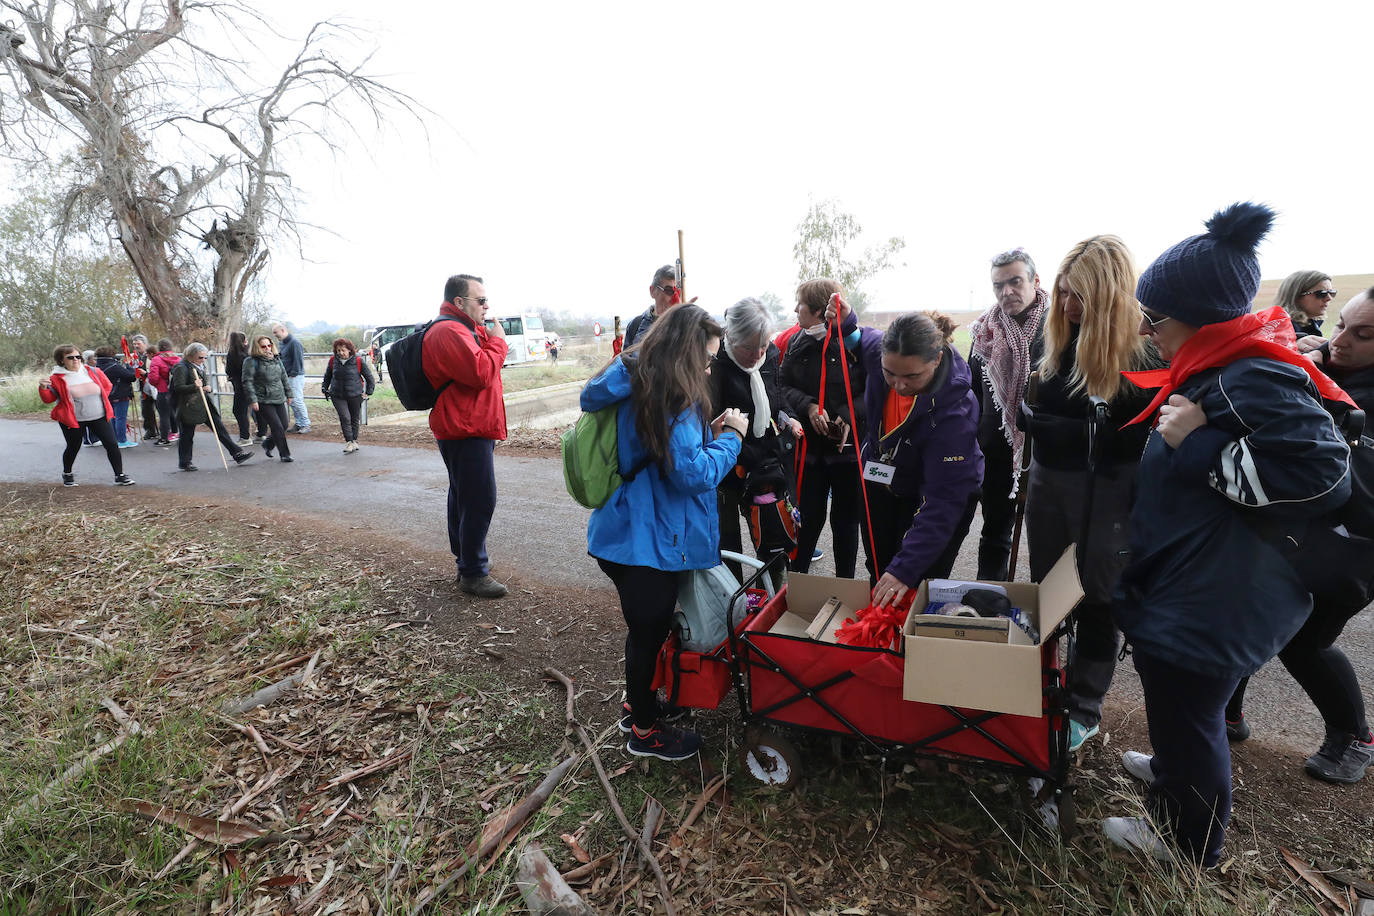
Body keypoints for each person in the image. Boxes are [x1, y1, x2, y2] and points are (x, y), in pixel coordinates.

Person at [1104, 202, 1351, 866]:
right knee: (1178, 707)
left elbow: (1325, 476)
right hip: (1201, 575)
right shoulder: (1223, 365)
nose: (1147, 331)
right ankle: (1172, 768)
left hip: (1222, 594)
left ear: (1199, 318)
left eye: (1154, 319)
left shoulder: (1251, 374)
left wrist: (1198, 445)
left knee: (1191, 709)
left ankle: (1187, 845)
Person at [582, 304, 748, 760]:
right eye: (708, 357)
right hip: (647, 541)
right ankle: (643, 729)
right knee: (648, 630)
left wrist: (705, 435)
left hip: (622, 530)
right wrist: (732, 437)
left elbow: (666, 452)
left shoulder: (635, 377)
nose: (711, 366)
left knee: (647, 628)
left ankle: (639, 704)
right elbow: (691, 475)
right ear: (686, 354)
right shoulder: (674, 395)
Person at [1224, 285, 1374, 783]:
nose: (1341, 341)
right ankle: (1224, 714)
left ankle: (1354, 735)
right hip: (1286, 535)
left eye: (1363, 335)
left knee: (1306, 643)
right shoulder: (1316, 372)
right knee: (1244, 619)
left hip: (1353, 549)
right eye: (1340, 326)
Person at [1022, 236, 1162, 753]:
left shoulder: (1143, 348)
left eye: (1079, 296)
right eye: (1062, 294)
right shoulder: (1054, 336)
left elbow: (1140, 431)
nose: (1067, 305)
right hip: (1049, 482)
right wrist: (1038, 423)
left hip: (1109, 490)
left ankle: (1084, 706)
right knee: (1049, 589)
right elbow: (1042, 404)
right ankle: (1042, 685)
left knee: (1100, 597)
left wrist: (1059, 428)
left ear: (1109, 296)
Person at [856, 307, 984, 605]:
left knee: (919, 582)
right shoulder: (880, 350)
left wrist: (904, 570)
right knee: (879, 571)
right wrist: (846, 320)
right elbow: (861, 338)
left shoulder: (956, 415)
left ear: (937, 360)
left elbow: (943, 502)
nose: (899, 386)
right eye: (889, 373)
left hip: (938, 495)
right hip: (882, 481)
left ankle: (915, 644)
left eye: (911, 376)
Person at [425, 274, 510, 599]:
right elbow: (481, 373)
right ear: (459, 302)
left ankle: (466, 563)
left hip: (467, 425)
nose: (487, 306)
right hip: (464, 427)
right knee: (479, 499)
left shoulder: (461, 328)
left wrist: (488, 339)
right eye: (481, 300)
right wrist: (498, 340)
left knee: (464, 495)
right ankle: (473, 573)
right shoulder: (449, 331)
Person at [967, 248, 1048, 580]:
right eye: (999, 285)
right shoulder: (984, 333)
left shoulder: (1059, 329)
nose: (1006, 292)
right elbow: (970, 392)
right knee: (995, 534)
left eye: (1015, 282)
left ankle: (1044, 616)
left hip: (1046, 453)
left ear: (1035, 281)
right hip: (996, 452)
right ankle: (988, 604)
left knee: (1046, 539)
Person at [779, 279, 866, 577]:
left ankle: (846, 588)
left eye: (800, 305)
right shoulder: (795, 342)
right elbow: (783, 386)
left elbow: (873, 389)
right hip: (810, 453)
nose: (794, 310)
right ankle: (798, 584)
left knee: (846, 523)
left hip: (847, 453)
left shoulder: (855, 343)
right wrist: (809, 406)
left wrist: (847, 415)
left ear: (817, 310)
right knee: (808, 519)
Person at [709, 298, 802, 576]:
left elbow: (777, 393)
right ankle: (732, 600)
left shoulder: (770, 354)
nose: (756, 353)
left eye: (762, 345)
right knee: (727, 541)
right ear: (730, 335)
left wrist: (787, 414)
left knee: (772, 534)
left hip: (765, 462)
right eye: (748, 347)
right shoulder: (715, 364)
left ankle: (770, 599)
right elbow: (712, 420)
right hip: (729, 463)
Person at [38, 345, 136, 487]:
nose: (75, 360)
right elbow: (48, 399)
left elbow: (106, 386)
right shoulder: (57, 378)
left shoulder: (93, 371)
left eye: (78, 356)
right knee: (73, 446)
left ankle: (119, 475)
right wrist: (43, 388)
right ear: (61, 360)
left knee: (112, 444)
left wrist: (97, 401)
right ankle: (67, 473)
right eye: (70, 357)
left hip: (99, 416)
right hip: (74, 420)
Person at [170, 343, 255, 471]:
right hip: (188, 406)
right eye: (200, 358)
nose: (203, 360)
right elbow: (178, 388)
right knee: (187, 434)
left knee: (219, 428)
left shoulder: (199, 365)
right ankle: (185, 462)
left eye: (205, 358)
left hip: (204, 403)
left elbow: (202, 382)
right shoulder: (181, 368)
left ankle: (237, 453)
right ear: (191, 356)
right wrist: (195, 386)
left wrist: (205, 387)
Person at [240, 335, 294, 463]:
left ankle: (268, 444)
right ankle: (284, 454)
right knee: (277, 427)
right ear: (257, 348)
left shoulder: (276, 358)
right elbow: (247, 382)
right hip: (263, 399)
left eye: (269, 345)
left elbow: (284, 376)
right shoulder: (251, 361)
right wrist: (253, 400)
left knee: (284, 425)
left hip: (278, 396)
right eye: (263, 346)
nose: (267, 348)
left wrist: (289, 393)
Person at [321, 337, 376, 454]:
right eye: (338, 350)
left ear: (349, 350)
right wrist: (324, 387)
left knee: (354, 419)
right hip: (337, 394)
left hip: (355, 394)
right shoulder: (332, 361)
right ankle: (349, 441)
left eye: (343, 350)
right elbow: (327, 376)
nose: (340, 353)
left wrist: (369, 391)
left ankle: (354, 440)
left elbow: (369, 377)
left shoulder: (358, 361)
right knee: (345, 417)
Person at [623, 265, 696, 349]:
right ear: (653, 291)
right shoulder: (635, 326)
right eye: (669, 290)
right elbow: (625, 360)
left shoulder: (688, 326)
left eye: (678, 292)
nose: (675, 299)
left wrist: (684, 324)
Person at [1273, 270, 1336, 352]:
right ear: (1296, 296)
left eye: (1331, 292)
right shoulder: (1279, 326)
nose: (1329, 298)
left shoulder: (1309, 324)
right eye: (1321, 293)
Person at [93, 346, 139, 447]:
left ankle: (115, 439)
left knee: (113, 417)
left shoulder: (97, 366)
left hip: (107, 395)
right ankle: (122, 441)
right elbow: (131, 377)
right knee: (120, 418)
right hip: (120, 394)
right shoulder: (114, 366)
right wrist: (129, 366)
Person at [272, 321, 310, 433]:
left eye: (276, 332)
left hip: (295, 376)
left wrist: (293, 374)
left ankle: (306, 424)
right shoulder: (282, 343)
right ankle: (299, 423)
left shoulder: (295, 343)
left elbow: (298, 361)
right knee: (291, 401)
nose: (275, 335)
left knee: (297, 400)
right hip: (286, 375)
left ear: (283, 330)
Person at [146, 338, 181, 446]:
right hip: (177, 391)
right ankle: (178, 433)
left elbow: (153, 378)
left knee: (164, 415)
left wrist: (157, 384)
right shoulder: (178, 359)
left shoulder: (156, 360)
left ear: (159, 347)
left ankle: (164, 438)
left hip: (163, 390)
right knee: (176, 413)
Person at [224, 331, 255, 446]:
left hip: (240, 386)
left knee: (238, 411)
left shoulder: (232, 354)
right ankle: (260, 433)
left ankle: (245, 437)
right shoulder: (248, 354)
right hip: (248, 384)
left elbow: (228, 370)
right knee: (252, 408)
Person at [130, 334, 158, 442]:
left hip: (155, 386)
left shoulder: (152, 354)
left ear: (145, 344)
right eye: (134, 344)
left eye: (138, 343)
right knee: (146, 410)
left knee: (161, 408)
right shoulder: (134, 357)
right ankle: (150, 431)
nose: (136, 346)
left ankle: (168, 431)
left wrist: (146, 373)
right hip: (143, 387)